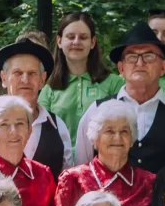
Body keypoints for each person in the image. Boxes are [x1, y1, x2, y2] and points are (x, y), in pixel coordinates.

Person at [0, 38, 74, 176]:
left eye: (32, 73)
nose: (25, 80)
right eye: (17, 73)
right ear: (4, 78)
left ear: (42, 79)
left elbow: (67, 185)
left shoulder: (57, 127)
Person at [56, 101, 156, 206]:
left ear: (131, 140)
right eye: (109, 131)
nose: (118, 137)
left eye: (124, 131)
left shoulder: (149, 182)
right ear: (95, 139)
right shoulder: (73, 179)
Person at [105, 29, 165, 179]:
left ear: (163, 67)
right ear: (121, 68)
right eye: (131, 57)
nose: (140, 63)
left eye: (149, 56)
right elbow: (83, 164)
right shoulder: (98, 110)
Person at [44, 10, 122, 140]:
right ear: (59, 41)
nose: (76, 42)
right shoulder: (49, 88)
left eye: (83, 37)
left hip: (101, 159)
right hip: (60, 159)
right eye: (70, 37)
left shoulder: (114, 84)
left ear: (92, 42)